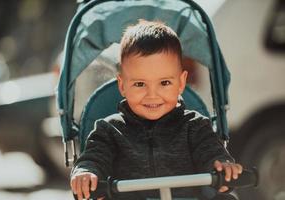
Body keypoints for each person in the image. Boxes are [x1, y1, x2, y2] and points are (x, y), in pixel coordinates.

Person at [70, 20, 242, 200]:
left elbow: (211, 153)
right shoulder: (108, 130)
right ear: (122, 86)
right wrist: (86, 172)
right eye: (139, 84)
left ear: (182, 82)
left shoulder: (195, 126)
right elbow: (94, 158)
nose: (152, 95)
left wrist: (223, 167)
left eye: (164, 83)